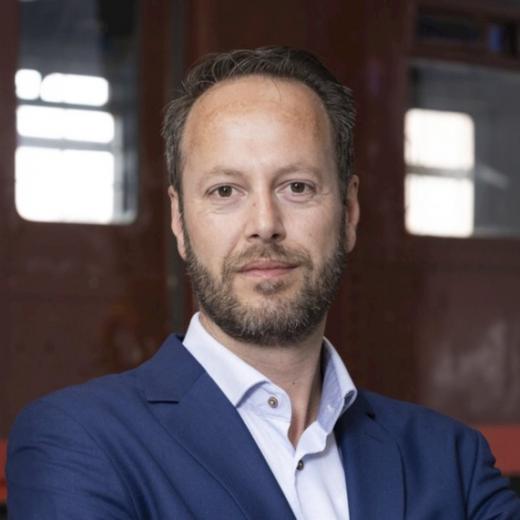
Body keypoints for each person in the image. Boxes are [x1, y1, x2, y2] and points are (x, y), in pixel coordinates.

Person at [6, 46, 520, 519]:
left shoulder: (452, 459)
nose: (264, 224)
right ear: (180, 222)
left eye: (297, 187)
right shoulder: (76, 441)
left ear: (348, 212)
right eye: (225, 191)